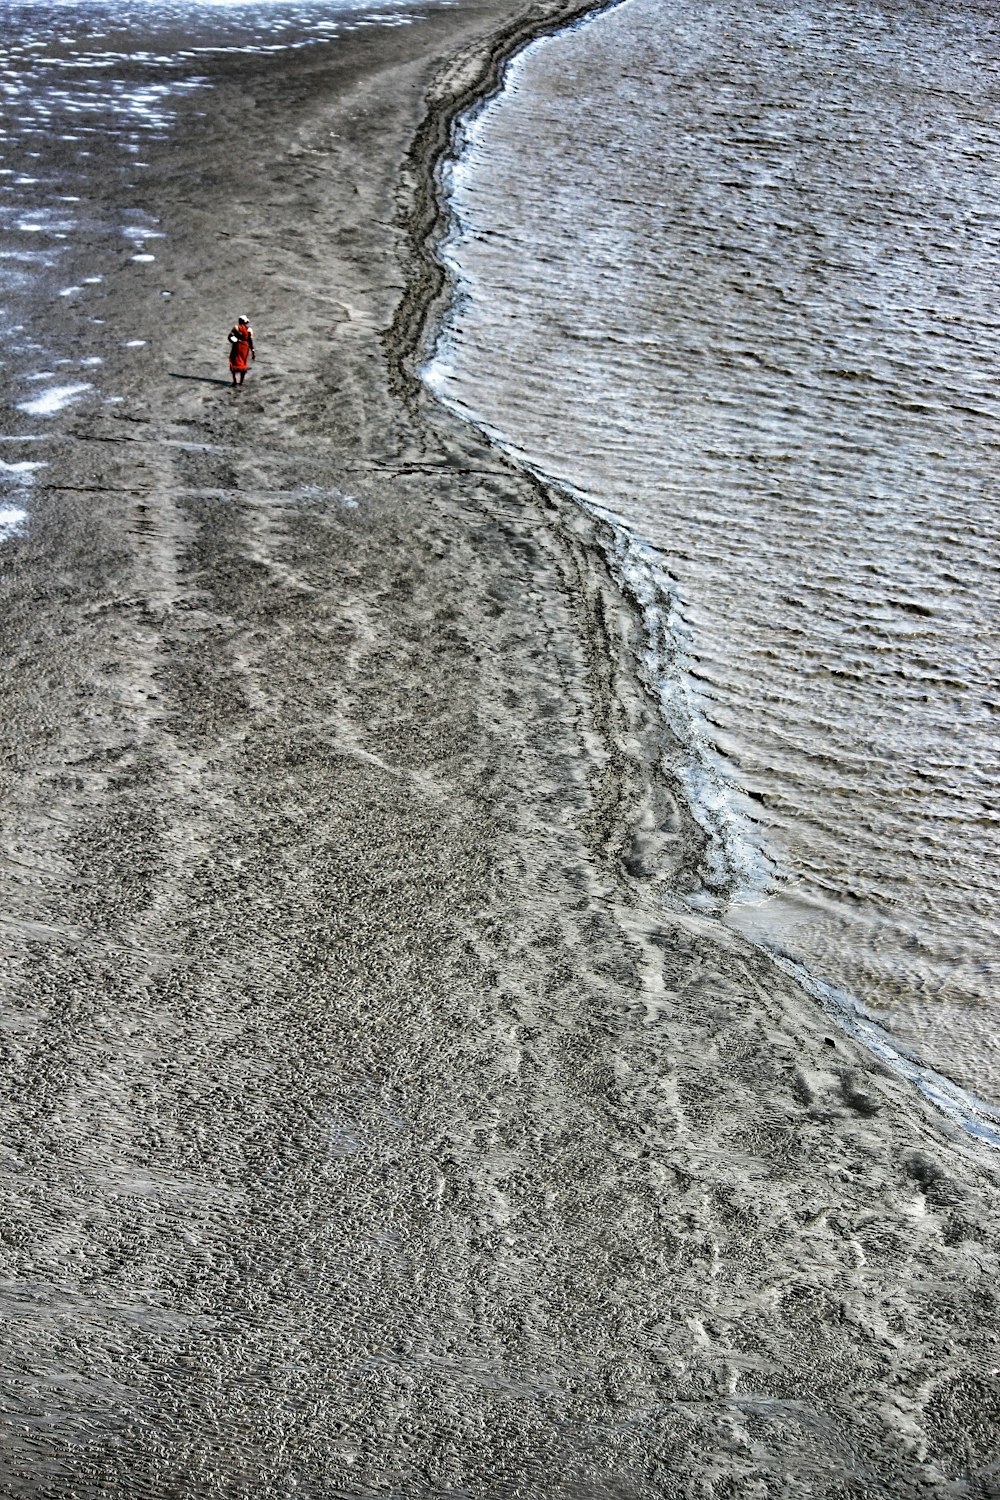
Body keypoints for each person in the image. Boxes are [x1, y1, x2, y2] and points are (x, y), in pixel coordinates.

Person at [227, 315, 255, 387]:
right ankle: (241, 381)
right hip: (245, 347)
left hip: (237, 346)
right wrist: (253, 351)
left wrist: (235, 340)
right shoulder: (249, 330)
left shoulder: (236, 328)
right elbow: (250, 341)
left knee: (234, 361)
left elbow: (229, 337)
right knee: (243, 362)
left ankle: (235, 381)